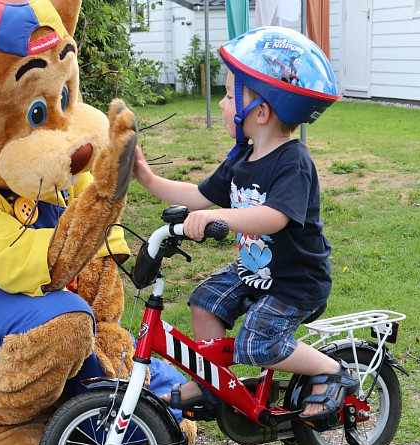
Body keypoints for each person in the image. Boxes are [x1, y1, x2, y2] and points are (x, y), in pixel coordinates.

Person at [132, 26, 358, 421]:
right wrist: (149, 180)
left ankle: (333, 371)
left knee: (258, 341)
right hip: (254, 271)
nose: (220, 104)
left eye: (226, 94)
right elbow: (199, 196)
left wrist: (219, 216)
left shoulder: (293, 161)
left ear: (260, 111)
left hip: (295, 280)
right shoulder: (242, 158)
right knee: (205, 301)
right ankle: (212, 384)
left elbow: (273, 218)